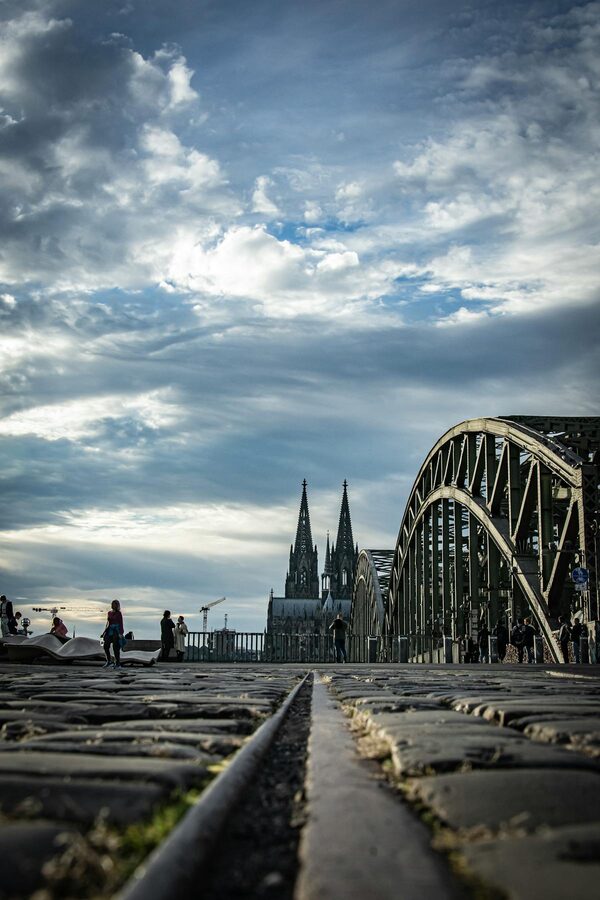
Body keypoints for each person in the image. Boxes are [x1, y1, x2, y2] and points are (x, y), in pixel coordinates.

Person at [102, 599, 124, 669]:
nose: (113, 605)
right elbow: (108, 623)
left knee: (116, 647)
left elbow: (121, 623)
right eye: (112, 604)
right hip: (109, 630)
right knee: (105, 645)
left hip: (116, 631)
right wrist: (104, 632)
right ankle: (109, 661)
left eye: (114, 604)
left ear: (117, 605)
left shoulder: (119, 613)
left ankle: (117, 663)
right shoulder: (109, 613)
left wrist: (121, 633)